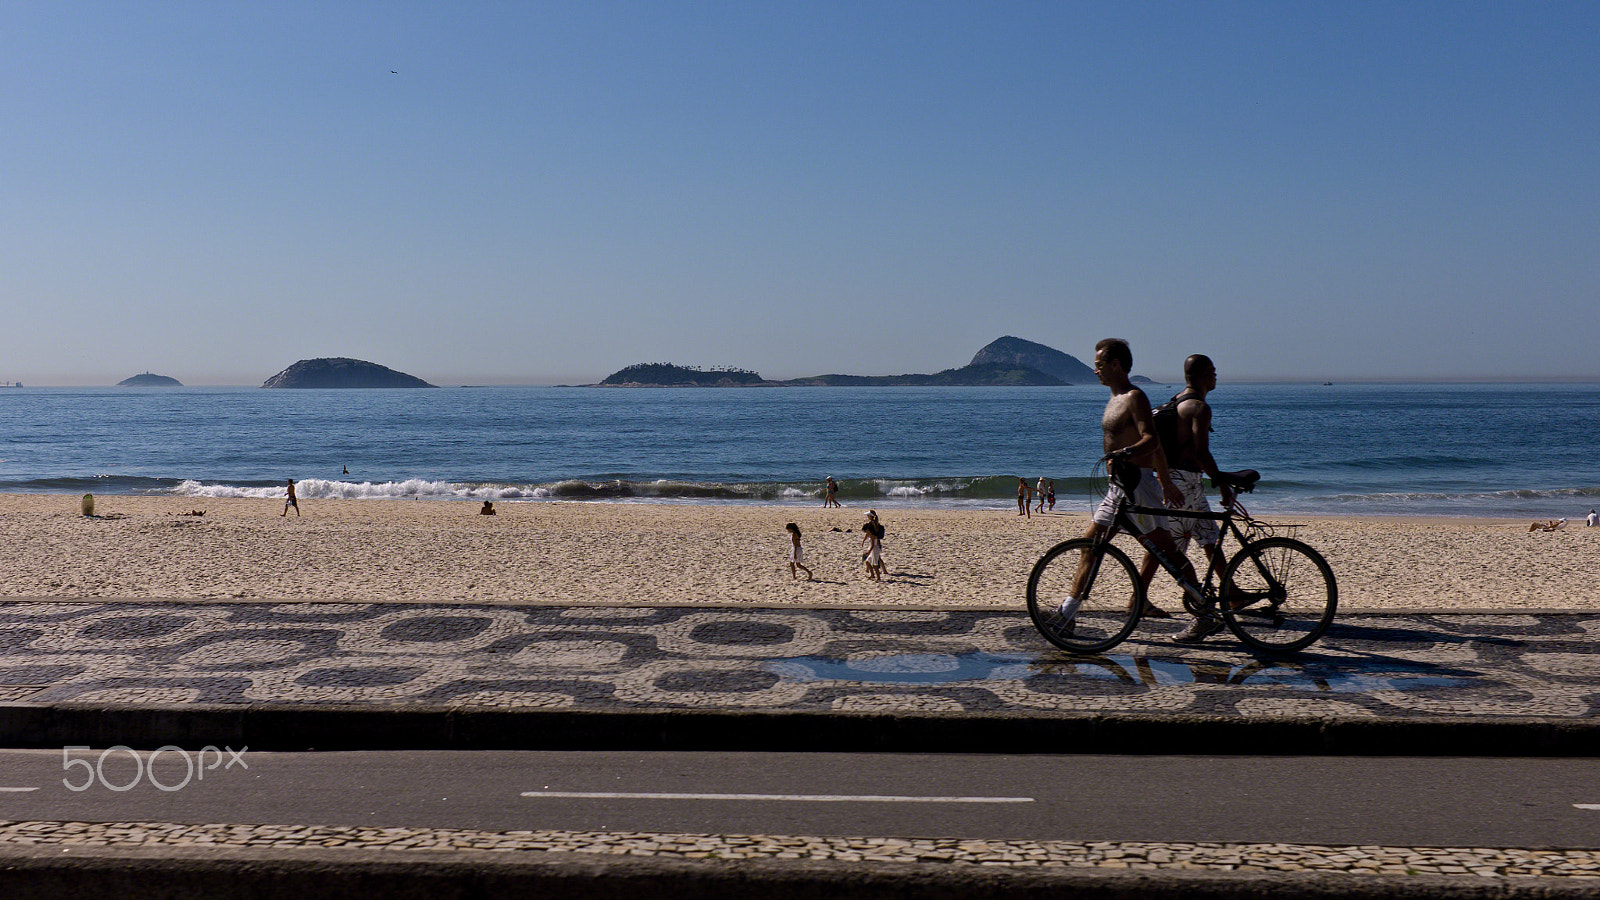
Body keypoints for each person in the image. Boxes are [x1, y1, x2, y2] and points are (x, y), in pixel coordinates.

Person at [1059, 339, 1192, 639]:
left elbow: (1151, 439)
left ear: (1116, 364)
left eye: (1099, 365)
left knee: (1166, 552)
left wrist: (1132, 458)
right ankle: (1067, 613)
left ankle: (1204, 607)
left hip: (1137, 485)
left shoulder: (1135, 398)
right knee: (1090, 545)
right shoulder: (1115, 399)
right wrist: (1166, 480)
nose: (1096, 371)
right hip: (1119, 484)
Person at [1138, 354, 1238, 629]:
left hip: (1185, 481)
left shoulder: (1175, 403)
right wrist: (1222, 482)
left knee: (1209, 537)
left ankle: (1231, 592)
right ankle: (1139, 599)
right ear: (1203, 375)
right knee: (1164, 545)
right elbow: (1200, 451)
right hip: (1182, 484)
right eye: (1213, 371)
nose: (1216, 376)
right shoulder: (1198, 408)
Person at [861, 510, 886, 580]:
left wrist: (868, 549)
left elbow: (872, 544)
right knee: (870, 561)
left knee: (875, 563)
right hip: (875, 545)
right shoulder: (876, 523)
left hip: (874, 547)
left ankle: (878, 576)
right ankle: (876, 573)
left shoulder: (871, 525)